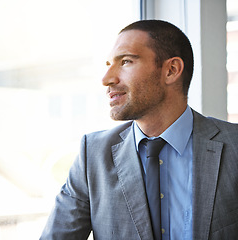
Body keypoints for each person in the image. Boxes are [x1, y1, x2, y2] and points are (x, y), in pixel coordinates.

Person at [40, 20, 238, 240]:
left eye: (125, 61)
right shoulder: (92, 155)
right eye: (108, 65)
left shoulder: (235, 145)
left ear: (171, 70)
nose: (107, 79)